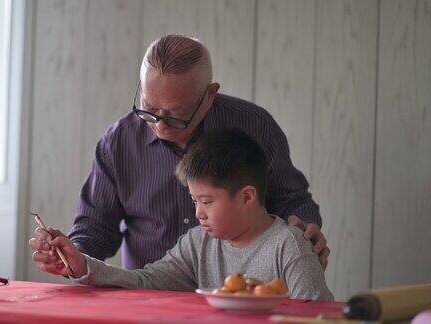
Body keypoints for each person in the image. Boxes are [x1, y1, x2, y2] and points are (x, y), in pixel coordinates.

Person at [67, 34, 329, 270]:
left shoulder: (255, 126)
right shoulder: (118, 143)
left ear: (210, 95)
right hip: (151, 299)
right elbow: (96, 227)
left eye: (176, 115)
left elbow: (291, 200)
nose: (159, 124)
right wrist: (69, 255)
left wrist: (305, 227)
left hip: (243, 294)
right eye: (149, 107)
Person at [30, 129, 333, 301]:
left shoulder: (288, 245)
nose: (198, 213)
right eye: (194, 200)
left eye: (207, 201)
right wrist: (81, 264)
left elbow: (318, 313)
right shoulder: (197, 243)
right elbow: (145, 282)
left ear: (247, 197)